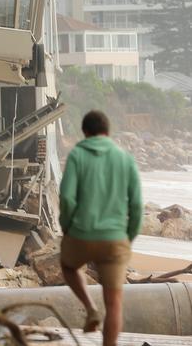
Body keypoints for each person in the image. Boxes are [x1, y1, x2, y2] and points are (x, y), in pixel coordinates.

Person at [60, 110, 142, 346]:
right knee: (115, 303)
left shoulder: (77, 154)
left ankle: (90, 308)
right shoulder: (125, 159)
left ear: (85, 132)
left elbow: (66, 198)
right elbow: (137, 205)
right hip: (115, 239)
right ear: (108, 132)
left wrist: (67, 228)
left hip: (80, 234)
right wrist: (129, 236)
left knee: (68, 266)